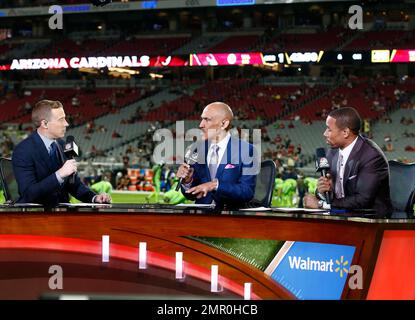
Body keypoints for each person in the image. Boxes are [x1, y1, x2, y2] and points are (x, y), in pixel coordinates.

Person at [12, 100, 111, 207]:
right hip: (39, 217)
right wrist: (59, 174)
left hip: (63, 214)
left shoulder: (63, 145)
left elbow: (74, 185)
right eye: (61, 120)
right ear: (44, 124)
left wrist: (94, 198)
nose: (66, 123)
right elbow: (28, 194)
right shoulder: (23, 150)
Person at [303, 107, 393, 218]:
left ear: (345, 132)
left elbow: (363, 200)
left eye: (329, 129)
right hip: (342, 217)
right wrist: (323, 191)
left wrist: (322, 205)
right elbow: (333, 196)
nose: (325, 133)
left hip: (370, 220)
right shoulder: (332, 153)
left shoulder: (371, 156)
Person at [176, 102, 258, 210]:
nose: (201, 125)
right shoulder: (196, 149)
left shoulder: (246, 150)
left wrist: (215, 185)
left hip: (230, 217)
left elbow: (247, 192)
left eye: (207, 119)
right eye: (202, 119)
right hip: (201, 217)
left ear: (224, 124)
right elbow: (190, 196)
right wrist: (187, 181)